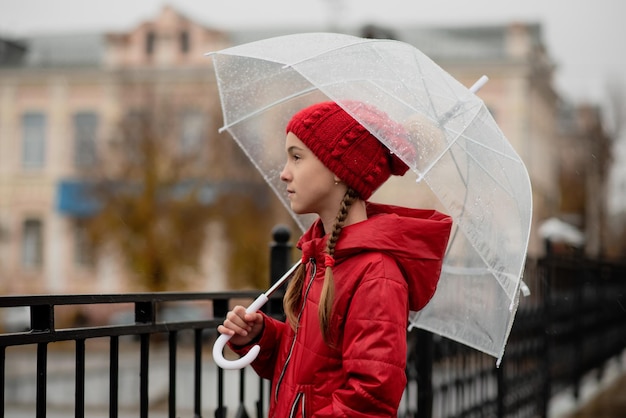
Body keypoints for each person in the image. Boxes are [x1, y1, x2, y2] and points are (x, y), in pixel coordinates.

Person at [218, 101, 452, 417]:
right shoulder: (319, 258)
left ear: (338, 169)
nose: (285, 173)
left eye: (297, 157)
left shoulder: (375, 274)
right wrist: (261, 336)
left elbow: (370, 399)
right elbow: (308, 375)